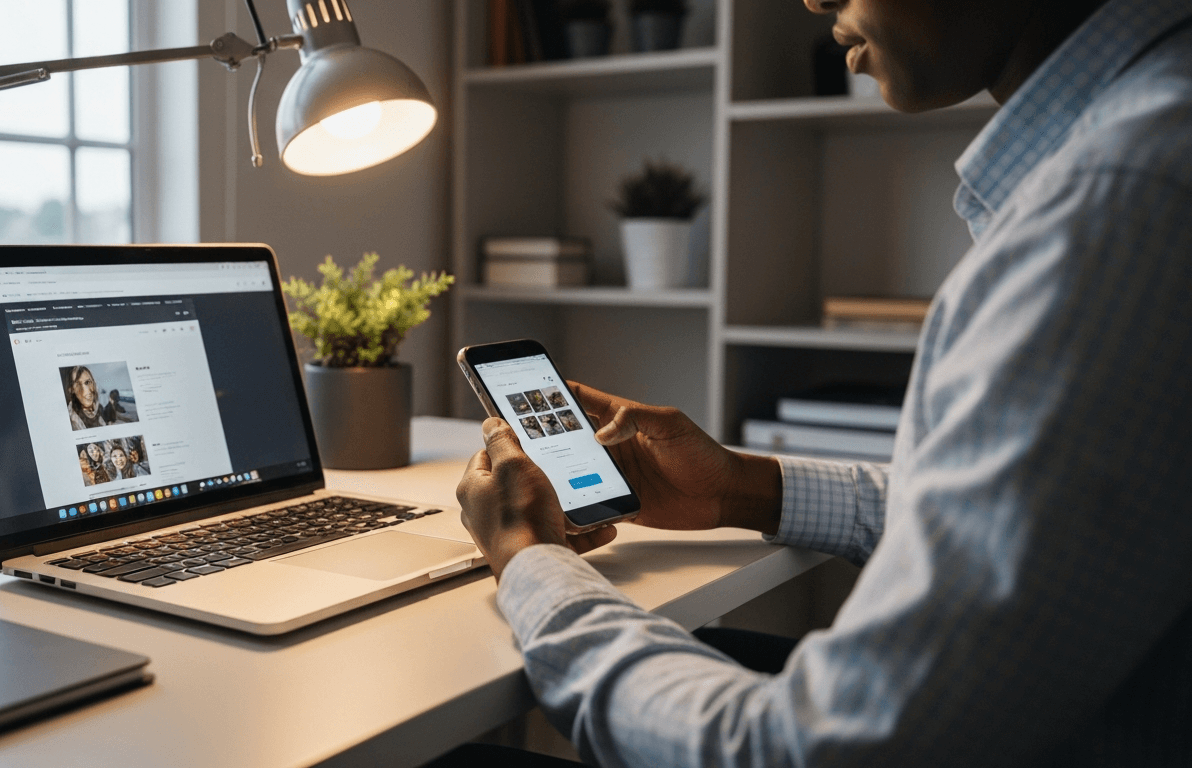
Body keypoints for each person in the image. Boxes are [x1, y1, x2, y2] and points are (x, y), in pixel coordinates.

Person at [451, 0, 1192, 765]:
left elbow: (804, 752)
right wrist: (738, 488)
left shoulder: (1119, 203)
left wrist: (530, 559)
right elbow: (1018, 522)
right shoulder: (1136, 149)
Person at [66, 366, 107, 430]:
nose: (86, 390)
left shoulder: (100, 409)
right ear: (72, 390)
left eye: (87, 382)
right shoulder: (71, 420)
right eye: (78, 385)